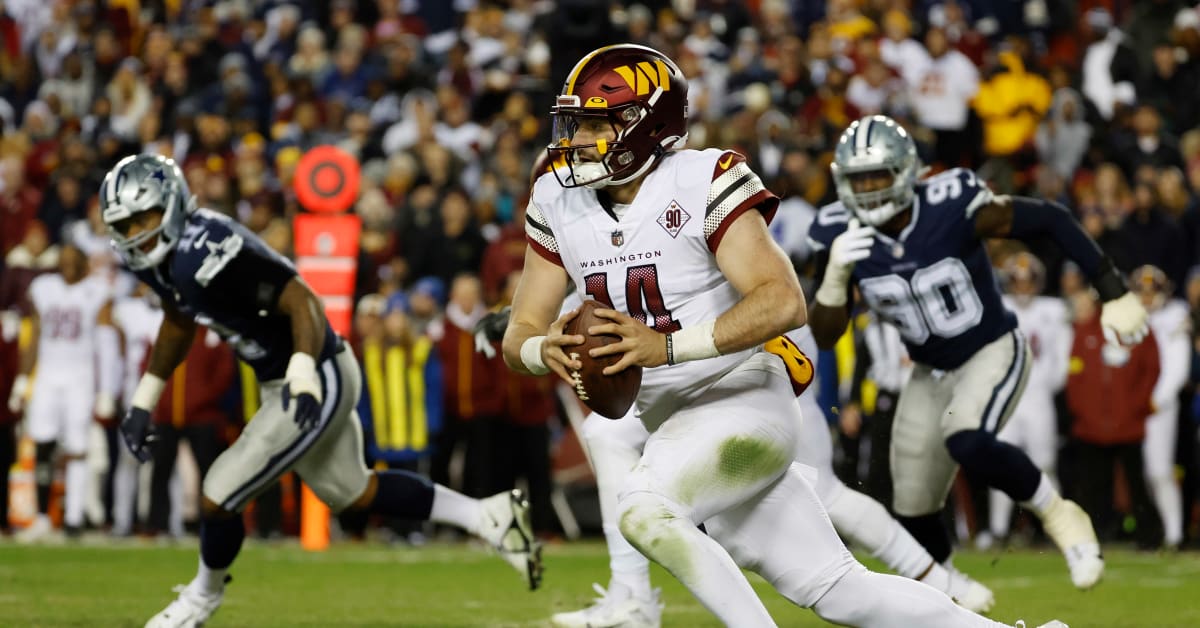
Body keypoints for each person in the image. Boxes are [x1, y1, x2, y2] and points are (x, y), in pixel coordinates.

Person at [503, 43, 1061, 627]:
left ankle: (639, 605)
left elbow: (783, 300)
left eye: (597, 124)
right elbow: (522, 329)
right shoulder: (557, 199)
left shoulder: (700, 180)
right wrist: (547, 351)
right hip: (675, 419)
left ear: (648, 125)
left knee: (644, 511)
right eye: (577, 124)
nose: (580, 140)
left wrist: (665, 347)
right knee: (841, 589)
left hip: (742, 396)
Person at [99, 153, 541, 628]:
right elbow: (180, 319)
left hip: (315, 371)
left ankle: (201, 598)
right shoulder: (161, 259)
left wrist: (304, 369)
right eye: (124, 225)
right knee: (355, 493)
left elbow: (301, 299)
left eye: (143, 218)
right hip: (285, 378)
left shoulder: (209, 246)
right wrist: (146, 397)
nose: (135, 234)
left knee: (218, 493)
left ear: (171, 205)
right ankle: (487, 517)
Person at [807, 114, 1150, 591]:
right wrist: (834, 279)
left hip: (990, 348)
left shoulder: (950, 206)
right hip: (929, 371)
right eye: (857, 179)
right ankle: (950, 590)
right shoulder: (840, 234)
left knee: (965, 437)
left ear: (905, 173)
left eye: (877, 176)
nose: (867, 190)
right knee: (911, 500)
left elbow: (1050, 218)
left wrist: (1113, 288)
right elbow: (826, 334)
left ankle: (1061, 515)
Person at [9, 243, 120, 540]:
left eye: (74, 260)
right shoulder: (44, 287)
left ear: (85, 263)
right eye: (64, 259)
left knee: (77, 446)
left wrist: (107, 389)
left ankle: (73, 518)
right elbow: (35, 335)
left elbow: (107, 343)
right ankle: (43, 516)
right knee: (42, 443)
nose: (68, 264)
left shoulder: (97, 291)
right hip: (48, 375)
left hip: (80, 377)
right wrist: (22, 378)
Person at [982, 252, 1072, 548]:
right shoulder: (997, 307)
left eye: (1027, 281)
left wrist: (1049, 383)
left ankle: (1056, 528)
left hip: (1037, 396)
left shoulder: (1053, 310)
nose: (1022, 287)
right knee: (998, 464)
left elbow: (1062, 354)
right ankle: (998, 530)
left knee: (1045, 465)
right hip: (1007, 397)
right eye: (1017, 281)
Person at [1130, 265, 1189, 549]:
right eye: (1141, 290)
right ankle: (1154, 532)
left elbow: (1178, 367)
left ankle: (1175, 533)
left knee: (1160, 471)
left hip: (1158, 407)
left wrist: (1156, 400)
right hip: (1131, 407)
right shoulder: (1129, 319)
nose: (1147, 296)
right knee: (1140, 474)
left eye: (1152, 290)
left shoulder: (1174, 316)